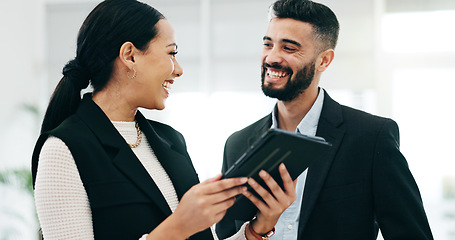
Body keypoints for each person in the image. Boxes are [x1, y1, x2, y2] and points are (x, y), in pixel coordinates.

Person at [31, 0, 297, 239]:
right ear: (130, 55)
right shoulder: (62, 149)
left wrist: (258, 228)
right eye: (171, 53)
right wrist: (179, 225)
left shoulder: (170, 140)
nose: (178, 70)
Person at [216, 0, 434, 239]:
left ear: (324, 60)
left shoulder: (372, 137)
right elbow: (226, 234)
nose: (272, 57)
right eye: (268, 44)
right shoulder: (237, 144)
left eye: (289, 48)